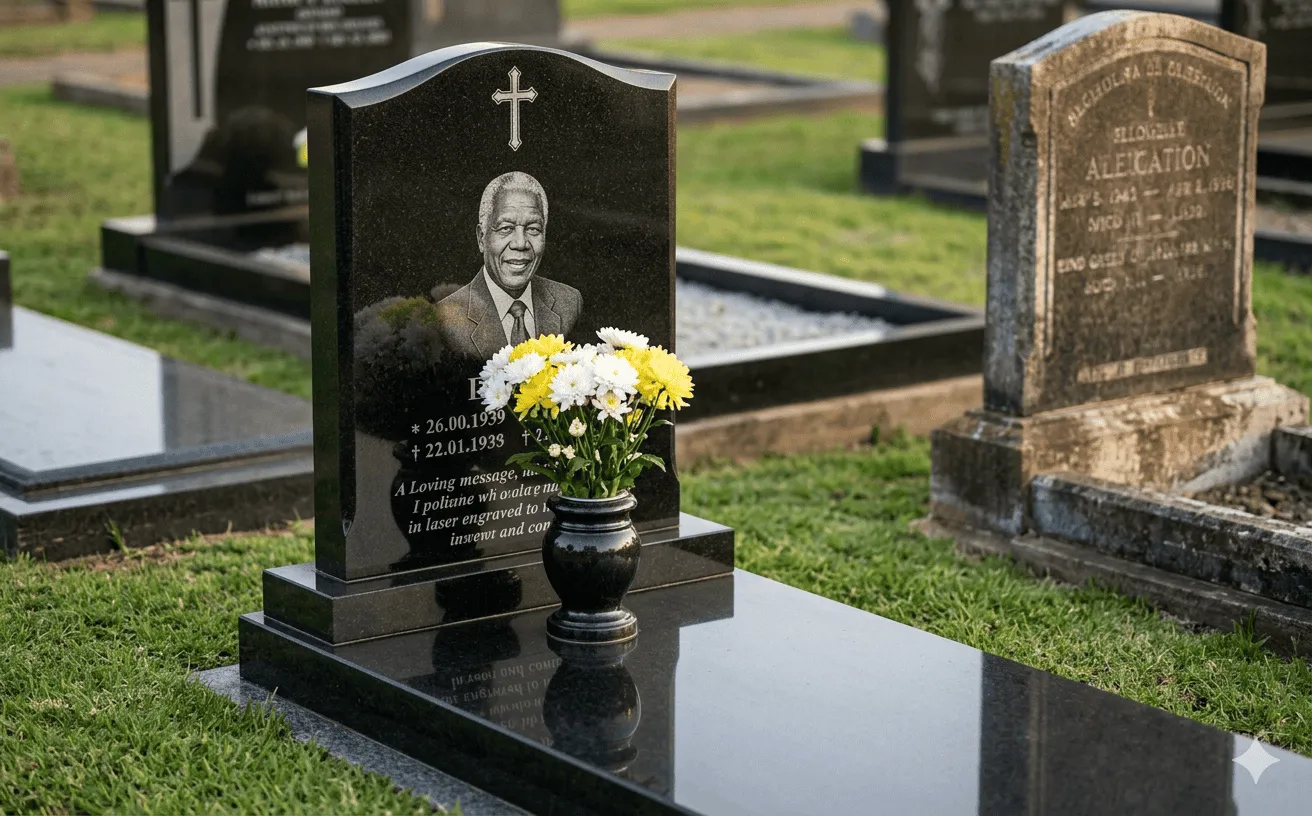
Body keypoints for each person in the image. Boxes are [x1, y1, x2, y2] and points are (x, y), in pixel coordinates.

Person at [435, 172, 582, 361]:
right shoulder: (443, 321)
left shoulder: (569, 303)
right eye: (506, 228)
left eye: (533, 229)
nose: (520, 243)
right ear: (481, 238)